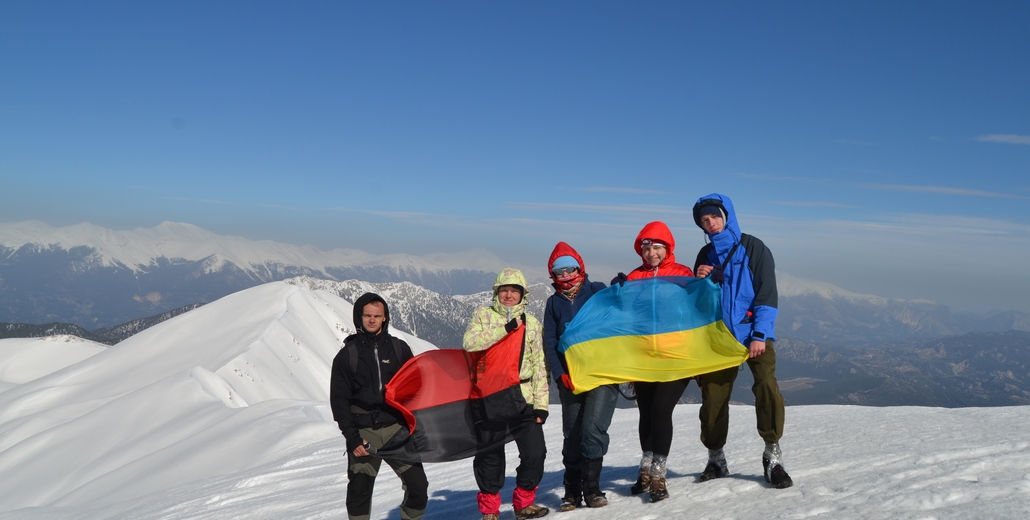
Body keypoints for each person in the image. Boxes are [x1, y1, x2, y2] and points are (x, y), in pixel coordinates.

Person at [691, 193, 793, 489]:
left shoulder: (753, 248)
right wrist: (701, 279)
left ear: (726, 216)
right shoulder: (705, 255)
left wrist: (760, 334)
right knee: (713, 398)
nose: (710, 223)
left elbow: (767, 293)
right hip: (719, 338)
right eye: (704, 220)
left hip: (753, 334)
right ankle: (716, 458)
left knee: (766, 388)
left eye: (714, 217)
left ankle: (773, 456)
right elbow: (698, 303)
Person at [613, 221, 695, 502]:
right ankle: (646, 467)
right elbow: (626, 317)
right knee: (646, 412)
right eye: (646, 248)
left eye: (657, 247)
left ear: (667, 248)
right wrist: (618, 294)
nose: (651, 254)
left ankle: (659, 474)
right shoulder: (635, 277)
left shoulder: (683, 274)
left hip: (676, 357)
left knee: (661, 411)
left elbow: (699, 306)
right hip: (644, 356)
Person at [330, 293, 429, 520]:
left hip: (397, 430)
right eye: (367, 316)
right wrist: (352, 438)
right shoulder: (347, 355)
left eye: (377, 316)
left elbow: (415, 386)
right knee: (359, 491)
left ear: (385, 318)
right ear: (359, 317)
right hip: (364, 431)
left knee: (418, 486)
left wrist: (416, 421)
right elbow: (339, 400)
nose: (372, 320)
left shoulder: (399, 349)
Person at [463, 268, 550, 520]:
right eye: (504, 290)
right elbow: (470, 343)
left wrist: (542, 405)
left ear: (523, 294)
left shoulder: (532, 324)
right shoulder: (483, 315)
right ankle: (490, 511)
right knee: (490, 455)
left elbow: (539, 366)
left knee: (535, 453)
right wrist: (506, 328)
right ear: (496, 293)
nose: (509, 295)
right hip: (487, 396)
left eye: (515, 290)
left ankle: (523, 503)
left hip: (523, 396)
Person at [542, 242, 617, 512]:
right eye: (558, 272)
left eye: (569, 269)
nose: (565, 277)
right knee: (572, 435)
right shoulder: (553, 304)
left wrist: (624, 286)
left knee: (591, 431)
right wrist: (560, 374)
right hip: (570, 380)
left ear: (580, 268)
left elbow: (624, 310)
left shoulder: (596, 291)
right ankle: (571, 491)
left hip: (601, 375)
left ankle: (592, 489)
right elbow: (550, 342)